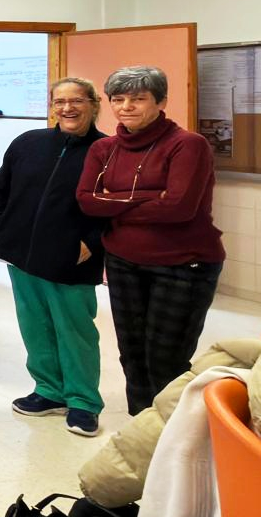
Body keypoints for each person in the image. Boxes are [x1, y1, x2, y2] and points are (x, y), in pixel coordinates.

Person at [76, 66, 223, 417]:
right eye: (118, 99)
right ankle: (141, 426)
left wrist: (115, 201)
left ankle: (172, 432)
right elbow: (85, 199)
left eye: (138, 99)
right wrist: (147, 196)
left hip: (184, 262)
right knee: (132, 351)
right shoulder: (104, 148)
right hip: (124, 260)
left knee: (166, 356)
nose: (127, 106)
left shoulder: (188, 144)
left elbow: (178, 207)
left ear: (161, 102)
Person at [0, 77, 108, 437]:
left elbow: (117, 206)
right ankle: (49, 391)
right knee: (35, 326)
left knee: (75, 331)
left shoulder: (107, 150)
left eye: (77, 101)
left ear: (93, 104)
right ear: (51, 106)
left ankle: (84, 401)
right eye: (60, 102)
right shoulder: (28, 143)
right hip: (22, 254)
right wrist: (0, 227)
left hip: (73, 257)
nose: (67, 108)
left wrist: (93, 241)